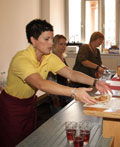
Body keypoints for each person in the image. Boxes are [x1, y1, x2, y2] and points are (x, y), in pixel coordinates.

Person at [0, 19, 111, 147]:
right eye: (47, 39)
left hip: (29, 103)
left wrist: (95, 82)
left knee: (28, 141)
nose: (51, 43)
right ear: (33, 40)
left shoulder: (48, 57)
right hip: (12, 107)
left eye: (52, 39)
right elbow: (40, 84)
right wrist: (74, 92)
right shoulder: (22, 59)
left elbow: (71, 73)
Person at [48, 34, 72, 112]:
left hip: (64, 89)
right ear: (54, 44)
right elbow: (50, 80)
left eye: (65, 44)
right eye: (61, 44)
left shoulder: (62, 57)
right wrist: (55, 98)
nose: (63, 46)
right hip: (55, 93)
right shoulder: (52, 58)